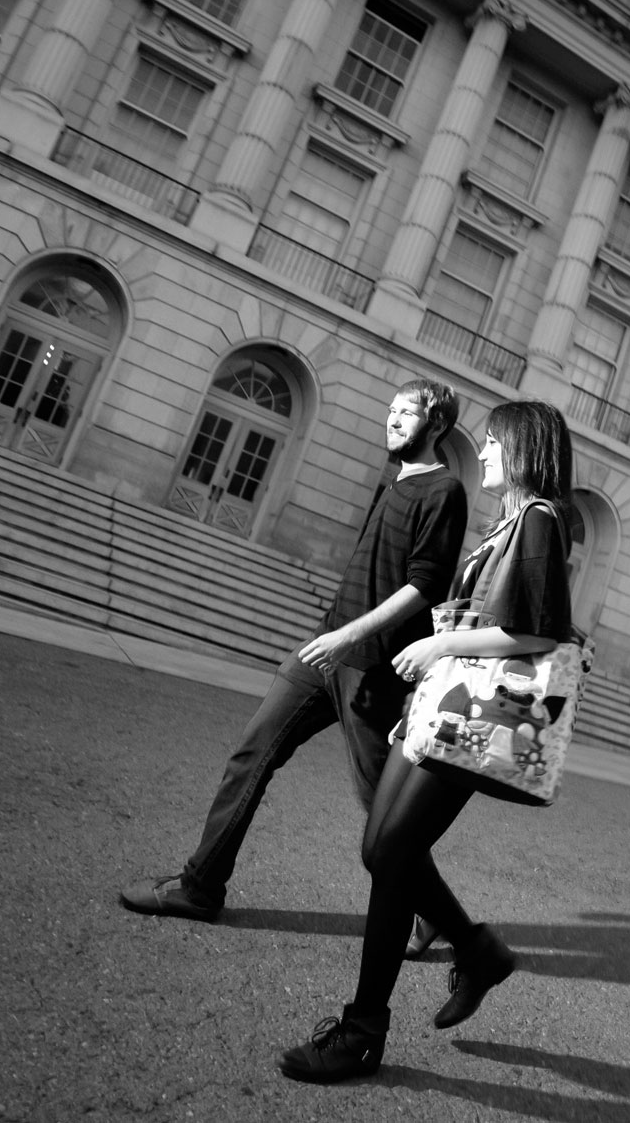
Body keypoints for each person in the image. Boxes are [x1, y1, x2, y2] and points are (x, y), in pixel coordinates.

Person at [279, 399, 574, 1084]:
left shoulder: (538, 521)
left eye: (498, 444)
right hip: (450, 709)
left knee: (389, 849)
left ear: (529, 447)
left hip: (483, 718)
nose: (489, 455)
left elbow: (538, 633)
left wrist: (437, 644)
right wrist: (423, 699)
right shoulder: (511, 524)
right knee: (382, 848)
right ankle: (474, 950)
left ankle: (364, 1029)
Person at [120, 380, 471, 925]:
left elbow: (424, 586)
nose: (394, 419)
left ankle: (444, 922)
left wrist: (349, 637)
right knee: (251, 753)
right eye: (391, 408)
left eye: (408, 412)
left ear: (437, 425)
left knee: (385, 813)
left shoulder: (443, 491)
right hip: (323, 650)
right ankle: (200, 886)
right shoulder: (394, 481)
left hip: (371, 667)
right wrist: (332, 634)